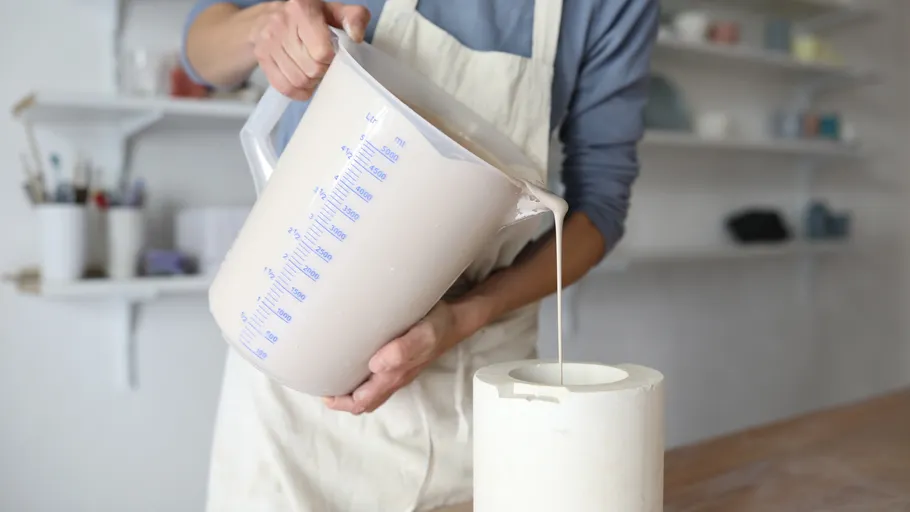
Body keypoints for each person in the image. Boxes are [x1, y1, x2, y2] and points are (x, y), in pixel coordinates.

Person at [181, 0, 658, 510]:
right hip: (299, 366)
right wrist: (264, 26)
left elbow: (600, 209)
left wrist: (466, 315)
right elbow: (199, 49)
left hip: (477, 383)